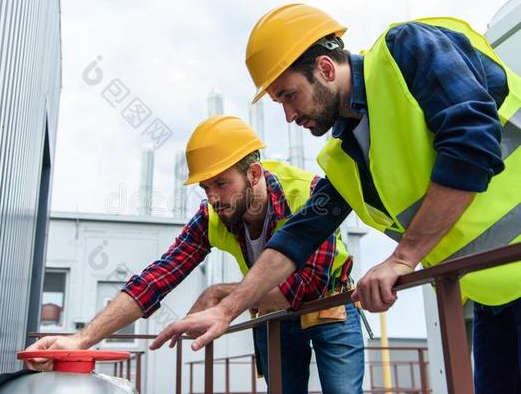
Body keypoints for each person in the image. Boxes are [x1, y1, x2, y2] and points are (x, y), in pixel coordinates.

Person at [151, 4, 521, 393]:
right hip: (491, 298)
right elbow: (300, 235)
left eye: (290, 96)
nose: (289, 116)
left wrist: (403, 258)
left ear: (326, 69)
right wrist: (227, 310)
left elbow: (473, 140)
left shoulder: (408, 49)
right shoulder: (346, 157)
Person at [25, 115, 365, 394]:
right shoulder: (212, 217)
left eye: (221, 183)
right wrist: (80, 340)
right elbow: (155, 279)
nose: (213, 197)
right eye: (205, 187)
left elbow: (306, 285)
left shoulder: (306, 194)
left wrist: (220, 294)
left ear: (254, 174)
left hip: (329, 305)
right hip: (274, 313)